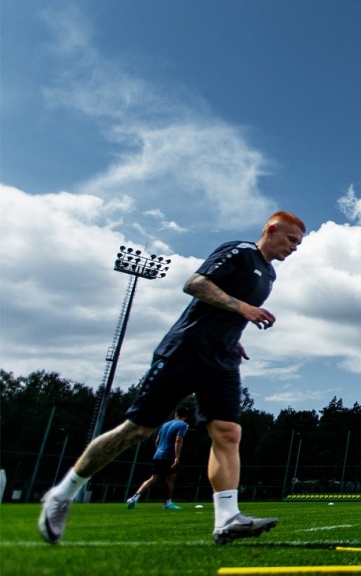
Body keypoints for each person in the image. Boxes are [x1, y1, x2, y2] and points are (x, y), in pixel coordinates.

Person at [39, 212, 305, 545]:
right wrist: (241, 309)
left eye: (298, 243)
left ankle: (227, 519)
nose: (294, 247)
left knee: (228, 431)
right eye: (291, 239)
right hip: (184, 352)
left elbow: (221, 312)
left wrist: (231, 337)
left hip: (221, 360)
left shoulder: (269, 274)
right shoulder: (239, 251)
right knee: (137, 430)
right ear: (271, 229)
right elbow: (194, 284)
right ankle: (62, 494)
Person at [126, 407, 191, 510]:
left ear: (175, 414)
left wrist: (159, 450)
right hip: (170, 455)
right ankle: (167, 503)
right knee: (170, 479)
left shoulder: (165, 425)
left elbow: (157, 440)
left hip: (158, 455)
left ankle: (134, 497)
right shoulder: (183, 425)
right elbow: (178, 439)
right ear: (186, 416)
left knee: (153, 478)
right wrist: (177, 457)